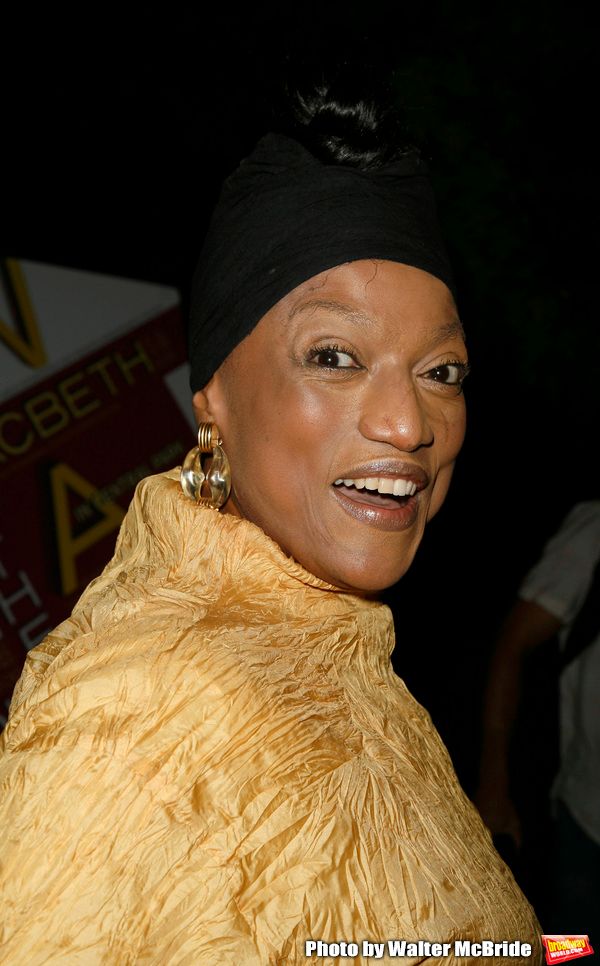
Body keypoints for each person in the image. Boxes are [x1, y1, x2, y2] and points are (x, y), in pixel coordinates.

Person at [0, 70, 542, 963]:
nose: (409, 424)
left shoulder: (355, 662)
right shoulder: (136, 707)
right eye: (335, 356)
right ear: (212, 398)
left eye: (441, 372)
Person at [476, 500, 600, 944]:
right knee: (570, 948)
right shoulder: (594, 528)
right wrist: (494, 781)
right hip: (586, 827)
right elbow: (514, 644)